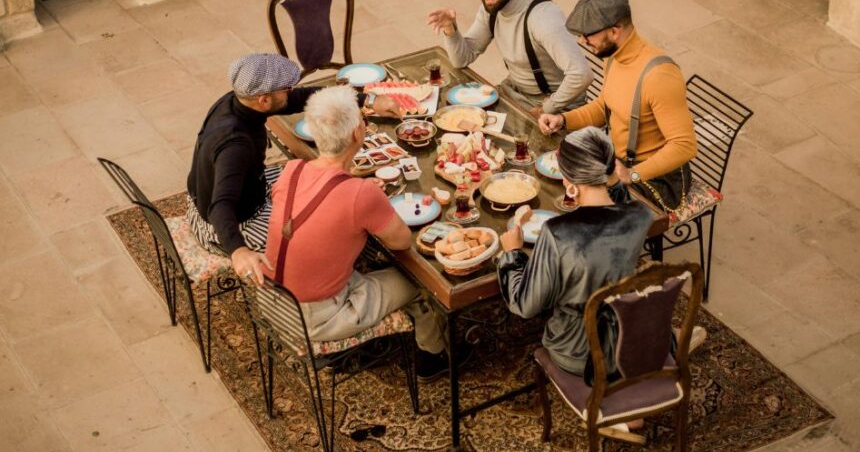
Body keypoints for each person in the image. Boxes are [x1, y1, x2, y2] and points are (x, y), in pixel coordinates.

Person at [261, 86, 454, 381]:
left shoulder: (293, 170)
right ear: (357, 134)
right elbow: (402, 241)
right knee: (420, 281)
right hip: (314, 318)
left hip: (270, 299)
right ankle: (434, 355)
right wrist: (363, 198)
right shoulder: (359, 193)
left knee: (368, 256)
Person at [186, 53, 401, 282]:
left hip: (246, 187)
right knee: (323, 229)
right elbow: (220, 206)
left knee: (313, 176)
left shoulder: (237, 100)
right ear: (264, 101)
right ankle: (369, 256)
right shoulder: (235, 145)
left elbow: (301, 98)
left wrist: (367, 100)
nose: (291, 90)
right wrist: (238, 250)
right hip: (233, 222)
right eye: (285, 88)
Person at [496, 127, 654, 380]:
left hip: (578, 350)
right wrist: (611, 177)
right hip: (628, 334)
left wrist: (512, 253)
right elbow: (621, 202)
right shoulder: (641, 216)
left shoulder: (558, 232)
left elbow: (525, 305)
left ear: (568, 181)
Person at [538, 0, 697, 214]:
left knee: (578, 208)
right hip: (618, 162)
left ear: (614, 31)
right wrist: (563, 119)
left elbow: (685, 146)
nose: (582, 40)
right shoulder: (612, 57)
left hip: (656, 180)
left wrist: (632, 175)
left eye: (588, 34)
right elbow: (605, 106)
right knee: (556, 180)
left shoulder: (660, 75)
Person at [426, 0, 592, 117]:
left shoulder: (543, 18)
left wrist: (547, 109)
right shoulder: (492, 8)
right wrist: (450, 28)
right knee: (452, 116)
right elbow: (462, 59)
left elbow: (581, 74)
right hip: (515, 94)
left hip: (558, 108)